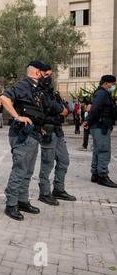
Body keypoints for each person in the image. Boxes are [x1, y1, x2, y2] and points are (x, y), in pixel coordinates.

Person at [0, 61, 53, 221]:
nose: (47, 77)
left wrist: (40, 126)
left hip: (33, 134)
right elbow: (4, 98)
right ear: (37, 72)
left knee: (28, 171)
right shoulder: (23, 85)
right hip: (22, 135)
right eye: (45, 74)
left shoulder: (36, 89)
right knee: (20, 170)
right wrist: (17, 116)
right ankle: (11, 204)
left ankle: (22, 201)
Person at [37, 64, 76, 207]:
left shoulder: (52, 92)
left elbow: (64, 109)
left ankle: (58, 189)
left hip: (58, 130)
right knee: (47, 163)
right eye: (46, 75)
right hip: (47, 130)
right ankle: (44, 193)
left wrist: (62, 109)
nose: (48, 78)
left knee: (64, 160)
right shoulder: (38, 92)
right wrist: (61, 109)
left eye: (50, 75)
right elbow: (56, 108)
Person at [84, 75, 117, 188]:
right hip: (100, 126)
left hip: (99, 125)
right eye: (112, 84)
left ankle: (96, 174)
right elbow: (95, 109)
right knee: (104, 150)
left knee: (98, 150)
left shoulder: (101, 93)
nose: (113, 86)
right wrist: (87, 121)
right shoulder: (102, 93)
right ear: (107, 83)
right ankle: (102, 176)